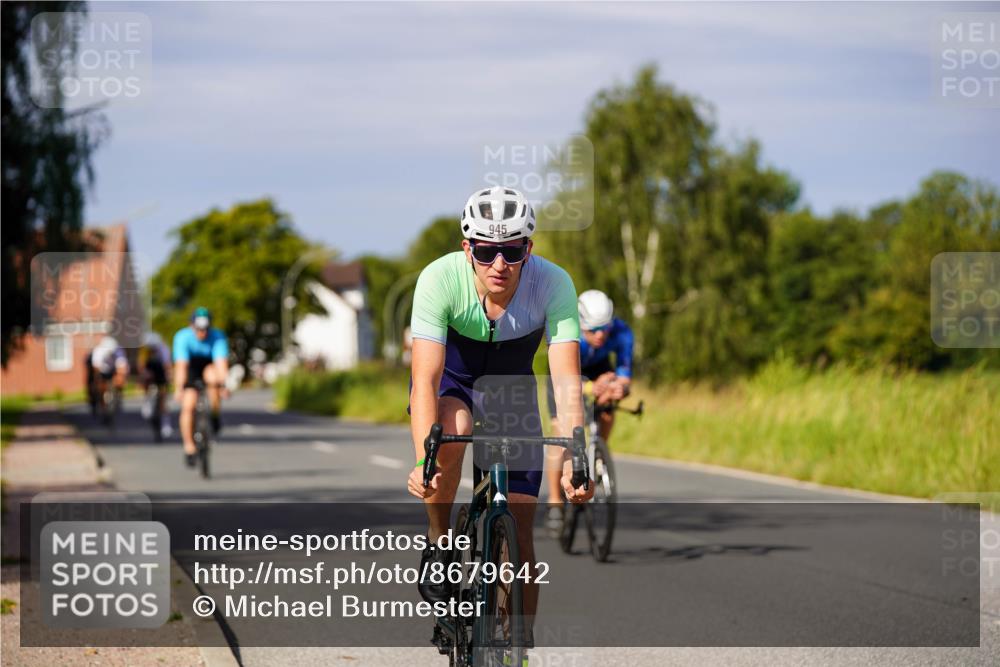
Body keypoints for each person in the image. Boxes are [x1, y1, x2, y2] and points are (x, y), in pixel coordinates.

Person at [406, 185, 593, 647]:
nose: (500, 264)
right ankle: (439, 538)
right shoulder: (438, 279)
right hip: (454, 384)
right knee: (456, 430)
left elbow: (566, 382)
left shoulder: (553, 283)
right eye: (487, 251)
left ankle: (517, 645)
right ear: (467, 247)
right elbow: (425, 380)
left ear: (528, 248)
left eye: (512, 250)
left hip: (511, 392)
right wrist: (422, 462)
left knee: (522, 535)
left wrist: (576, 456)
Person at [544, 289, 633, 529]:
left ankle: (598, 452)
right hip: (565, 373)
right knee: (559, 434)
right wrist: (592, 387)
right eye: (593, 329)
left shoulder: (622, 332)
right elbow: (565, 378)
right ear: (581, 324)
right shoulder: (569, 331)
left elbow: (625, 374)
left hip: (598, 370)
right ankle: (554, 502)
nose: (601, 334)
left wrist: (618, 388)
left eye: (605, 327)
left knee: (607, 409)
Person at [172, 307, 229, 467]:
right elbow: (181, 366)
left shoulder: (217, 337)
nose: (202, 333)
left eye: (205, 329)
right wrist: (179, 388)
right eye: (198, 329)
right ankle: (189, 446)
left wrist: (223, 385)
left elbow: (221, 364)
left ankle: (215, 415)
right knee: (188, 406)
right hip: (190, 367)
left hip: (208, 365)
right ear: (192, 326)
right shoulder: (182, 337)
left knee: (213, 379)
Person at [139, 332, 172, 441]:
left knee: (163, 398)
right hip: (150, 374)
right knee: (145, 380)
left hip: (161, 375)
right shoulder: (145, 351)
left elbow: (167, 365)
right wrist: (144, 375)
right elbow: (142, 365)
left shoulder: (164, 350)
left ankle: (165, 422)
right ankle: (147, 400)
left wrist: (168, 377)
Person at [88, 336, 129, 421]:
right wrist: (98, 380)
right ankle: (101, 404)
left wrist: (119, 378)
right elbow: (96, 368)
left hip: (114, 369)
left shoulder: (118, 351)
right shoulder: (98, 351)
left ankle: (118, 396)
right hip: (103, 369)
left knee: (119, 380)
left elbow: (122, 367)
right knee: (99, 385)